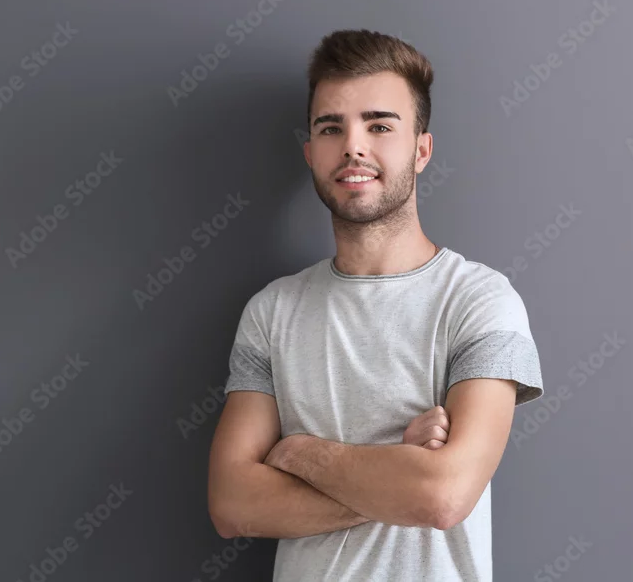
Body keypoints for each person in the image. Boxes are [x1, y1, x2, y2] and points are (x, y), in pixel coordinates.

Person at [207, 29, 544, 581]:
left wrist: (299, 454)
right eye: (330, 128)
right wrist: (397, 472)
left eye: (380, 126)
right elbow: (232, 503)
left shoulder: (480, 301)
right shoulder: (271, 312)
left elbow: (443, 496)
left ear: (421, 149)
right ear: (310, 153)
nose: (353, 147)